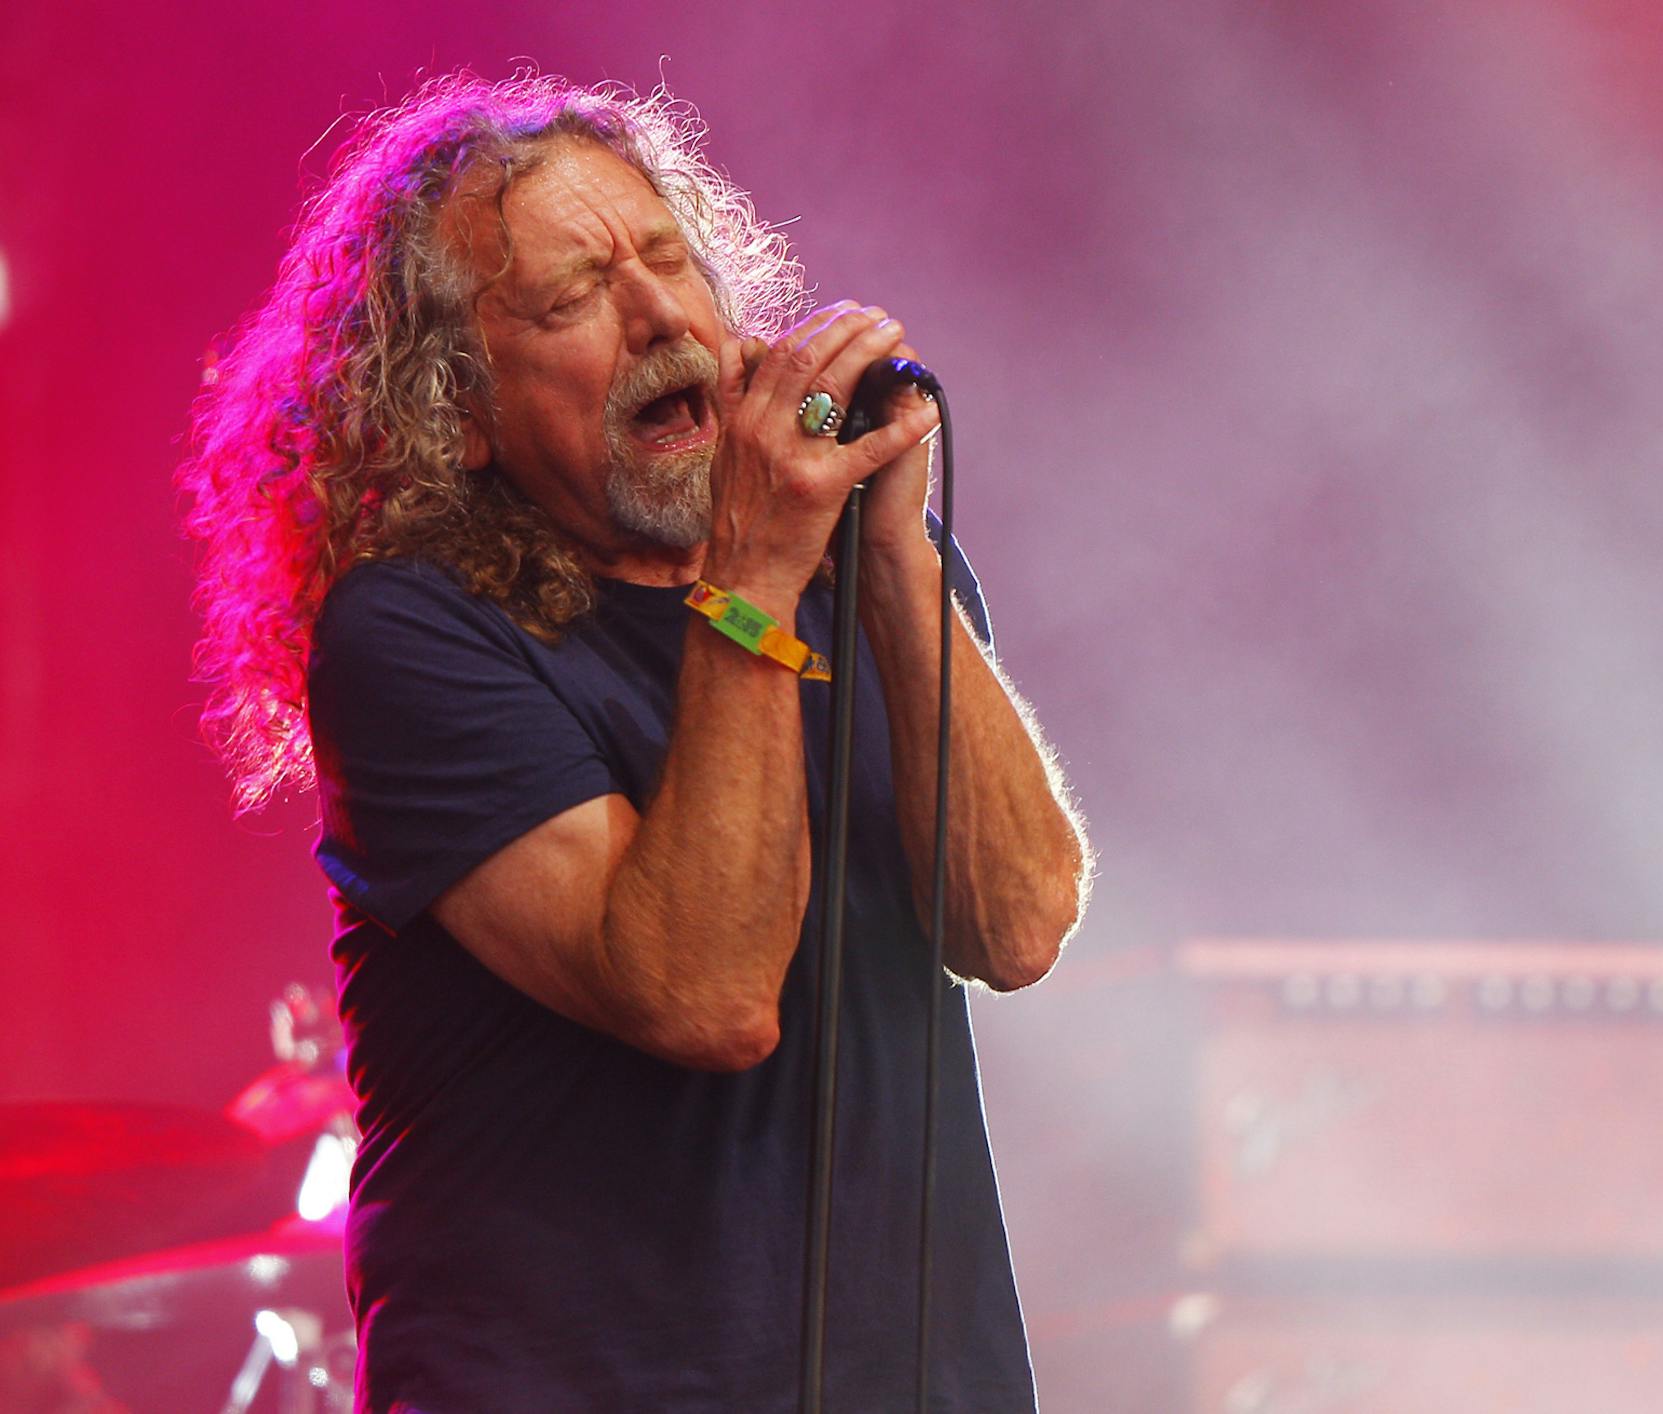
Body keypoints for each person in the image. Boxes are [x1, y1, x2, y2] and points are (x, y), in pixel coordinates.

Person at [177, 72, 1092, 1412]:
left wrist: (893, 549)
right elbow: (704, 993)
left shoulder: (847, 563)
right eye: (574, 299)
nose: (663, 316)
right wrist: (759, 574)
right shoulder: (417, 637)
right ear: (459, 409)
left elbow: (1014, 924)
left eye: (671, 262)